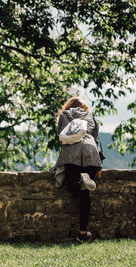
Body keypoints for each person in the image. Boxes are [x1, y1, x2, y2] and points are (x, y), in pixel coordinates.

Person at [55, 96, 102, 242]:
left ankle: (79, 183)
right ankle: (83, 232)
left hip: (71, 154)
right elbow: (95, 139)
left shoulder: (64, 115)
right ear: (85, 107)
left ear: (68, 106)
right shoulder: (91, 117)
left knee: (73, 188)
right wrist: (99, 165)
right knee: (86, 194)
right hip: (91, 152)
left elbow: (61, 136)